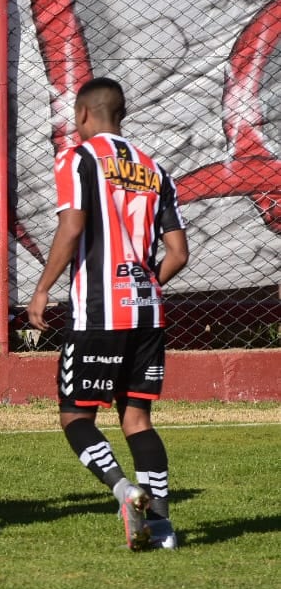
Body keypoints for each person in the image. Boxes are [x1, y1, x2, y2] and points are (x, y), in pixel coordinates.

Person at [27, 77, 189, 551]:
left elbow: (72, 226)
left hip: (98, 313)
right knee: (137, 419)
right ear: (121, 113)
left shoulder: (77, 159)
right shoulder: (155, 169)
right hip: (147, 313)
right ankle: (162, 529)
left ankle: (124, 490)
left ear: (82, 115)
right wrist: (144, 282)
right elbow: (178, 253)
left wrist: (41, 290)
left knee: (75, 418)